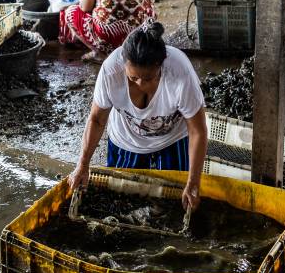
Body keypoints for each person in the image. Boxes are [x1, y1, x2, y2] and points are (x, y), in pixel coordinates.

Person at [68, 22, 207, 210]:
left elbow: (197, 130)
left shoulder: (179, 72)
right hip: (126, 139)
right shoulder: (111, 71)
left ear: (161, 64)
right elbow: (97, 119)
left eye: (148, 78)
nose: (141, 84)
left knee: (173, 201)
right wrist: (82, 164)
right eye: (133, 78)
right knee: (122, 200)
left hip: (172, 139)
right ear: (124, 63)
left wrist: (193, 181)